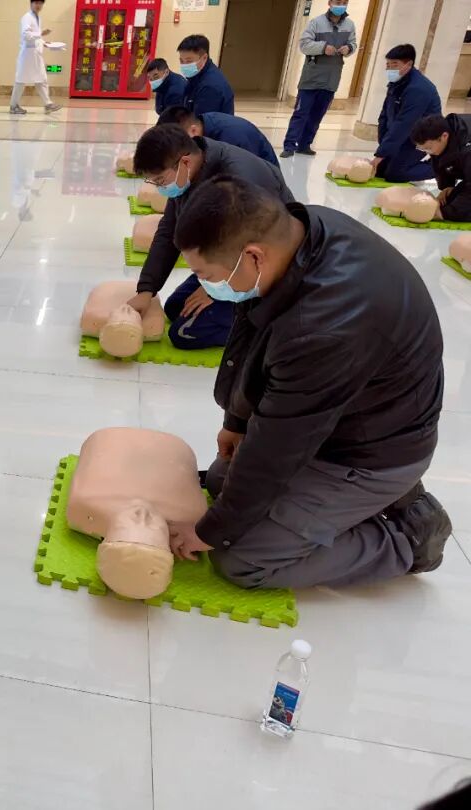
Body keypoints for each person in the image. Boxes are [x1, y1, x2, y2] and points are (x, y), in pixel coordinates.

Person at [166, 175, 450, 589]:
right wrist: (236, 421)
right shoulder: (300, 230)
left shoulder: (322, 326)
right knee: (221, 482)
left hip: (371, 454)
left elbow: (278, 448)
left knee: (239, 559)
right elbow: (252, 332)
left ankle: (405, 540)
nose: (206, 284)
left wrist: (210, 532)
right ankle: (369, 502)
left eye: (205, 274)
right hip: (343, 416)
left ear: (253, 257)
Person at [128, 125, 292, 350]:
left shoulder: (237, 178)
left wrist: (212, 291)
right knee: (175, 308)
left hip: (260, 268)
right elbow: (168, 231)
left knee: (183, 334)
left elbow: (256, 242)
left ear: (185, 162)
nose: (159, 187)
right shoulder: (187, 176)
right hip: (224, 255)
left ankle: (265, 326)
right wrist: (147, 289)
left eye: (160, 180)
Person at [281, 0, 357, 158]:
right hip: (311, 78)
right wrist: (323, 47)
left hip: (331, 79)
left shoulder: (349, 25)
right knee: (301, 113)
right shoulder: (316, 22)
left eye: (344, 2)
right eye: (338, 1)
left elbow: (353, 44)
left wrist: (349, 48)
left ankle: (305, 145)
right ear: (330, 3)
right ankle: (289, 146)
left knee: (317, 115)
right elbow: (304, 45)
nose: (341, 5)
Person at [373, 43, 441, 182]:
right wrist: (383, 147)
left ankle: (442, 167)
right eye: (388, 65)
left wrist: (381, 154)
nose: (390, 69)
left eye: (394, 65)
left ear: (408, 64)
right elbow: (384, 115)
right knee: (380, 170)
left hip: (423, 139)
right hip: (406, 137)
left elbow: (404, 124)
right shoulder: (397, 83)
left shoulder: (418, 89)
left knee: (395, 174)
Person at [158, 105, 278, 166]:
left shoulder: (231, 139)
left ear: (193, 130)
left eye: (179, 143)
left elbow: (246, 182)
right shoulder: (203, 125)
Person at [412, 113, 471, 221]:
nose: (428, 152)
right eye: (423, 149)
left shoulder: (467, 150)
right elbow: (441, 165)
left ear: (444, 136)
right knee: (448, 200)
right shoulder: (444, 135)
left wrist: (445, 214)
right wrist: (447, 187)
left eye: (429, 148)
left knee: (458, 211)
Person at [10, 1, 62, 115]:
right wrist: (41, 33)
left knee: (42, 79)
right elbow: (26, 35)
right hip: (27, 55)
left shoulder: (37, 17)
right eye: (36, 3)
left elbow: (35, 36)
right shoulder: (27, 17)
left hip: (35, 54)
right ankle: (13, 106)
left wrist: (43, 42)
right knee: (20, 80)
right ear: (31, 3)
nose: (38, 6)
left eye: (40, 3)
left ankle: (48, 104)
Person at [177, 34, 234, 116]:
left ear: (204, 58)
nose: (184, 65)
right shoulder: (197, 75)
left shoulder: (210, 87)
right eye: (181, 61)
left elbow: (201, 121)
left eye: (189, 61)